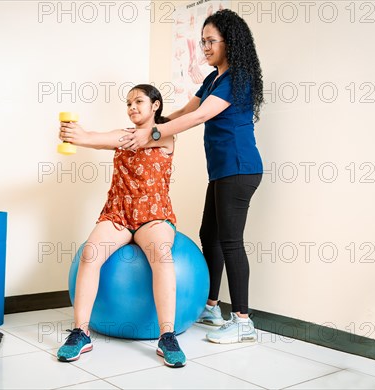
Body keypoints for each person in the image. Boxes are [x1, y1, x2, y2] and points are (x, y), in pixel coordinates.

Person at [120, 9, 264, 344]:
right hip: (223, 171)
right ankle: (212, 306)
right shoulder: (214, 78)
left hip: (240, 169)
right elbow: (187, 109)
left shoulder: (235, 78)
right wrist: (156, 120)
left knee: (230, 241)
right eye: (202, 41)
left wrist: (153, 135)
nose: (205, 47)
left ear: (230, 41)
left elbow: (200, 116)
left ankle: (243, 320)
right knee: (208, 235)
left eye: (211, 41)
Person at [56, 84, 187, 367]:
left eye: (138, 101)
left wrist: (86, 138)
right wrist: (76, 135)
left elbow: (124, 141)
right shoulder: (122, 135)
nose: (131, 107)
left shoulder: (165, 136)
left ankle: (167, 335)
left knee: (161, 257)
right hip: (118, 214)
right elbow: (99, 138)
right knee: (90, 255)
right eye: (128, 103)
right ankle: (81, 332)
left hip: (152, 215)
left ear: (155, 105)